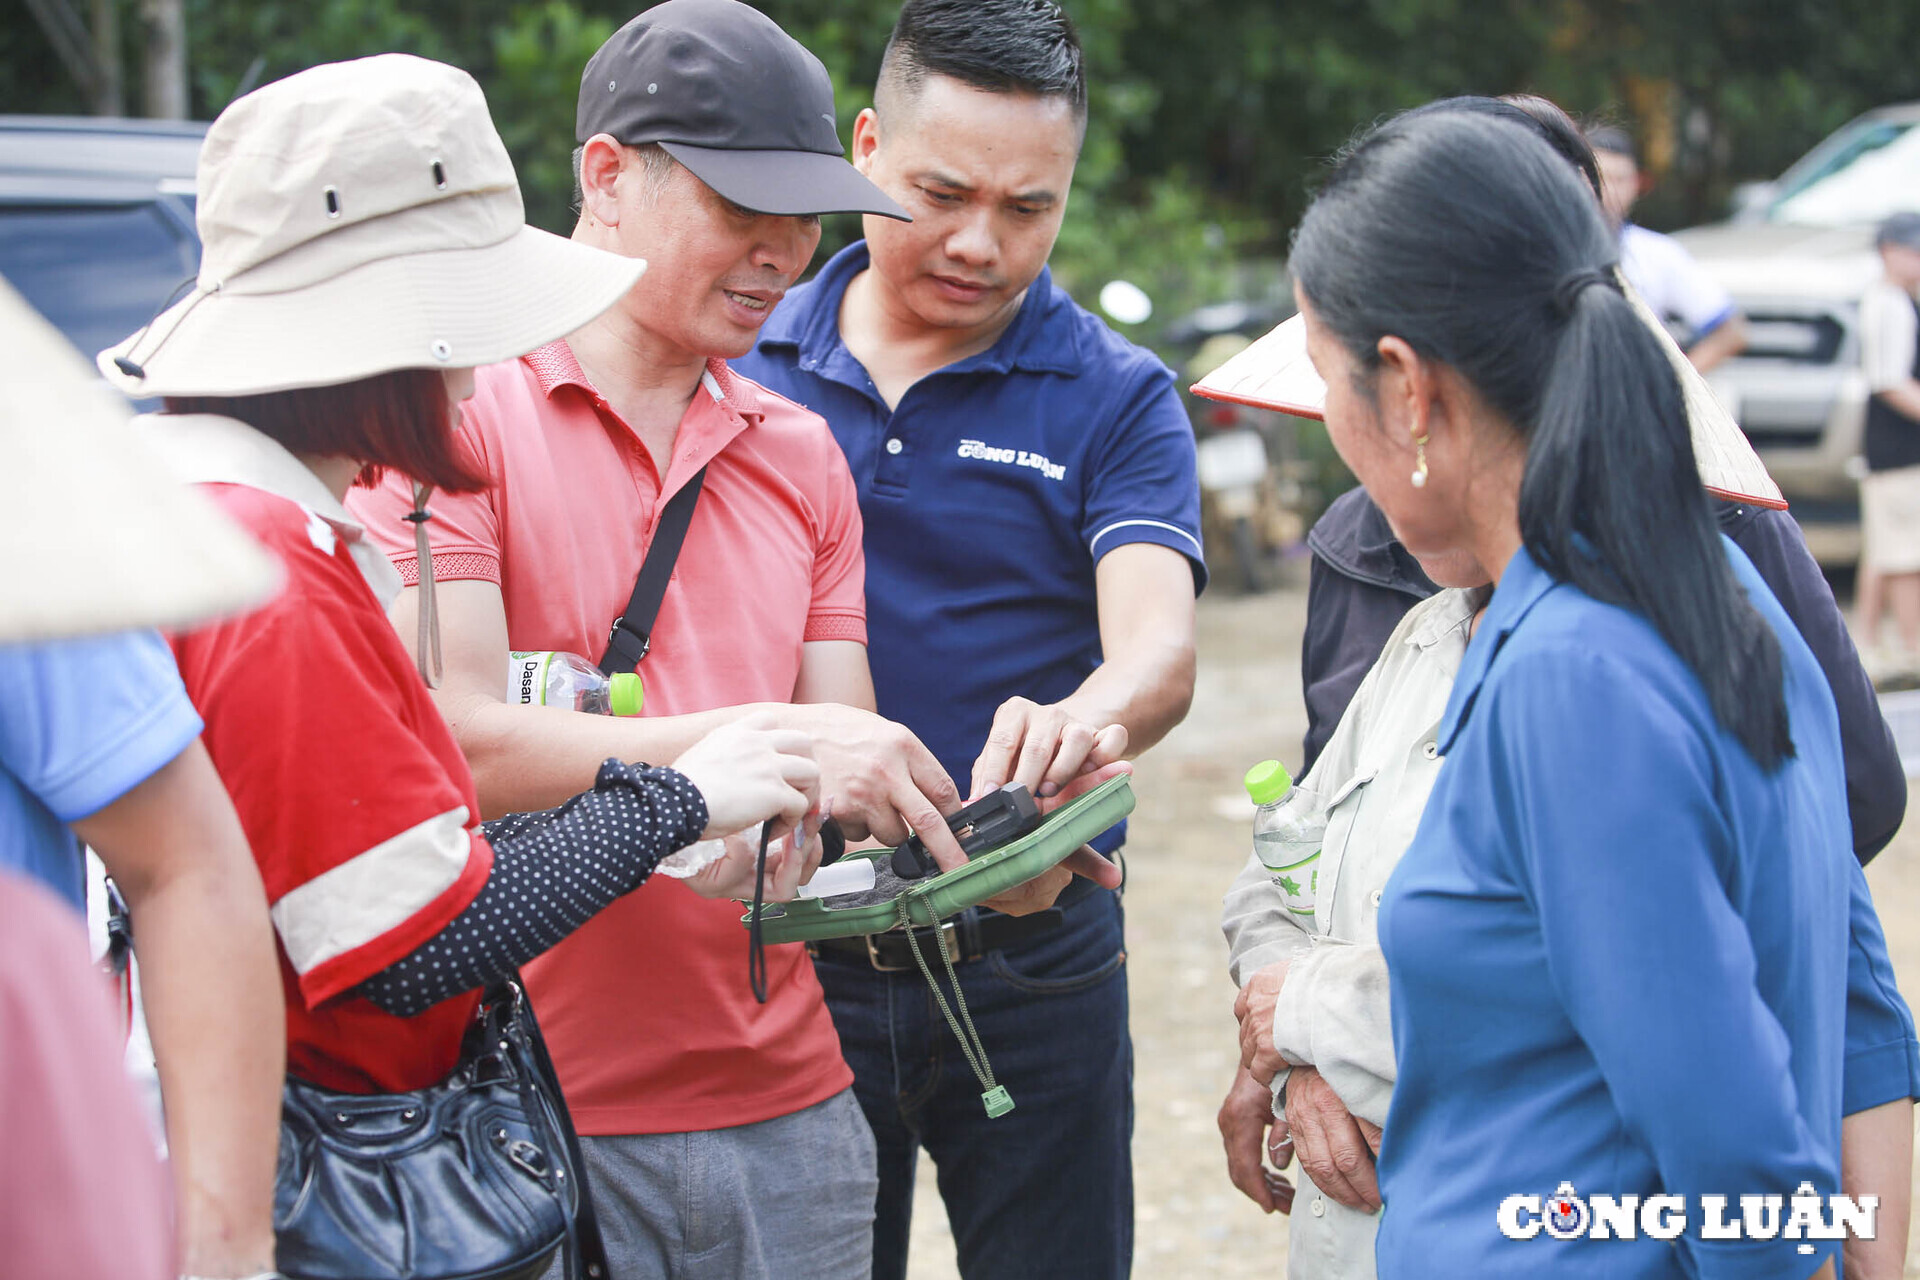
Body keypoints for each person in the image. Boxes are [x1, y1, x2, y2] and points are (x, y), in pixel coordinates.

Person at [349, 5, 1121, 1274]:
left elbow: (846, 771)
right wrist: (748, 755)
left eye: (806, 214)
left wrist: (996, 841)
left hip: (795, 1102)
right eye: (738, 208)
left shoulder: (800, 453)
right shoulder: (459, 413)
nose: (781, 253)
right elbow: (454, 743)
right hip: (533, 1097)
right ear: (606, 175)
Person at [100, 50, 827, 1269]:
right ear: (385, 344)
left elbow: (412, 859)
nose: (476, 371)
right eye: (462, 333)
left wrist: (655, 810)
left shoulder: (220, 521)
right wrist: (683, 793)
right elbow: (413, 938)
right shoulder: (269, 575)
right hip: (326, 1169)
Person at [1219, 96, 1918, 1280]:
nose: (1329, 426)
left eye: (1329, 383)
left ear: (1406, 388)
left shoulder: (1575, 676)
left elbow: (1752, 1176)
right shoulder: (1718, 605)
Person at [735, 3, 1203, 1276]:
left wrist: (1083, 721)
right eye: (941, 193)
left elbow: (1157, 650)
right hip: (797, 945)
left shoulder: (1115, 393)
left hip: (1032, 946)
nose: (981, 244)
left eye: (1029, 207)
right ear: (868, 144)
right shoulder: (744, 360)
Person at [1590, 124, 1748, 373]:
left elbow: (1731, 332)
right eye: (1599, 178)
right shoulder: (1550, 245)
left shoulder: (1658, 254)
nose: (1609, 191)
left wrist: (1675, 387)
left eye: (1619, 179)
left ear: (1638, 183)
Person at [1854, 211, 1920, 676]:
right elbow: (1890, 381)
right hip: (1897, 450)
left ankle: (1867, 641)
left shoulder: (1898, 299)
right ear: (1887, 252)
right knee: (1905, 556)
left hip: (1891, 449)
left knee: (1883, 549)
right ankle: (1911, 647)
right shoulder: (1890, 303)